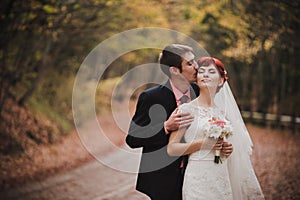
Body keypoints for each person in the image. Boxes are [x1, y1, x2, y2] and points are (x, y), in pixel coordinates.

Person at [126, 44, 233, 200]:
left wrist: (221, 145)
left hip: (199, 172)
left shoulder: (200, 91)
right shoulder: (151, 97)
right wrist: (165, 127)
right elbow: (132, 139)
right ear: (175, 70)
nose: (196, 67)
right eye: (190, 63)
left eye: (194, 61)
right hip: (164, 178)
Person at [167, 57, 264, 199]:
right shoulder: (186, 110)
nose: (205, 74)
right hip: (197, 179)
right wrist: (202, 145)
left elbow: (225, 148)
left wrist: (227, 149)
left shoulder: (223, 114)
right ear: (197, 78)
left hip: (221, 176)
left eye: (211, 71)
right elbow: (172, 149)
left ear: (221, 80)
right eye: (202, 71)